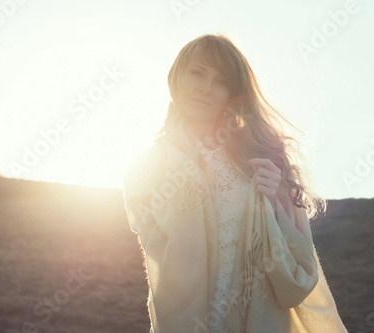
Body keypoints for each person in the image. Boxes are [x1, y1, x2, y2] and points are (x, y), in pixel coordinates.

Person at [123, 33, 348, 333]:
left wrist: (274, 200)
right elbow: (160, 263)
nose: (205, 88)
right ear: (177, 76)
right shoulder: (147, 168)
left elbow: (299, 271)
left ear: (233, 93)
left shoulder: (261, 157)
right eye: (198, 73)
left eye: (220, 81)